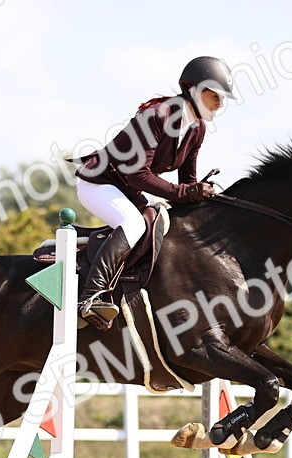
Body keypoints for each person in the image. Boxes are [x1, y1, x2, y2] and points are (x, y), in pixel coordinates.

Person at [73, 56, 235, 330]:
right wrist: (186, 192)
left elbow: (188, 181)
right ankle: (90, 298)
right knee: (133, 223)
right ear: (191, 88)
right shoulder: (158, 116)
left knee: (168, 223)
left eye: (222, 98)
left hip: (128, 190)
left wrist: (203, 202)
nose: (219, 104)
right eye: (214, 96)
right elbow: (138, 174)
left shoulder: (197, 128)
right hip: (98, 182)